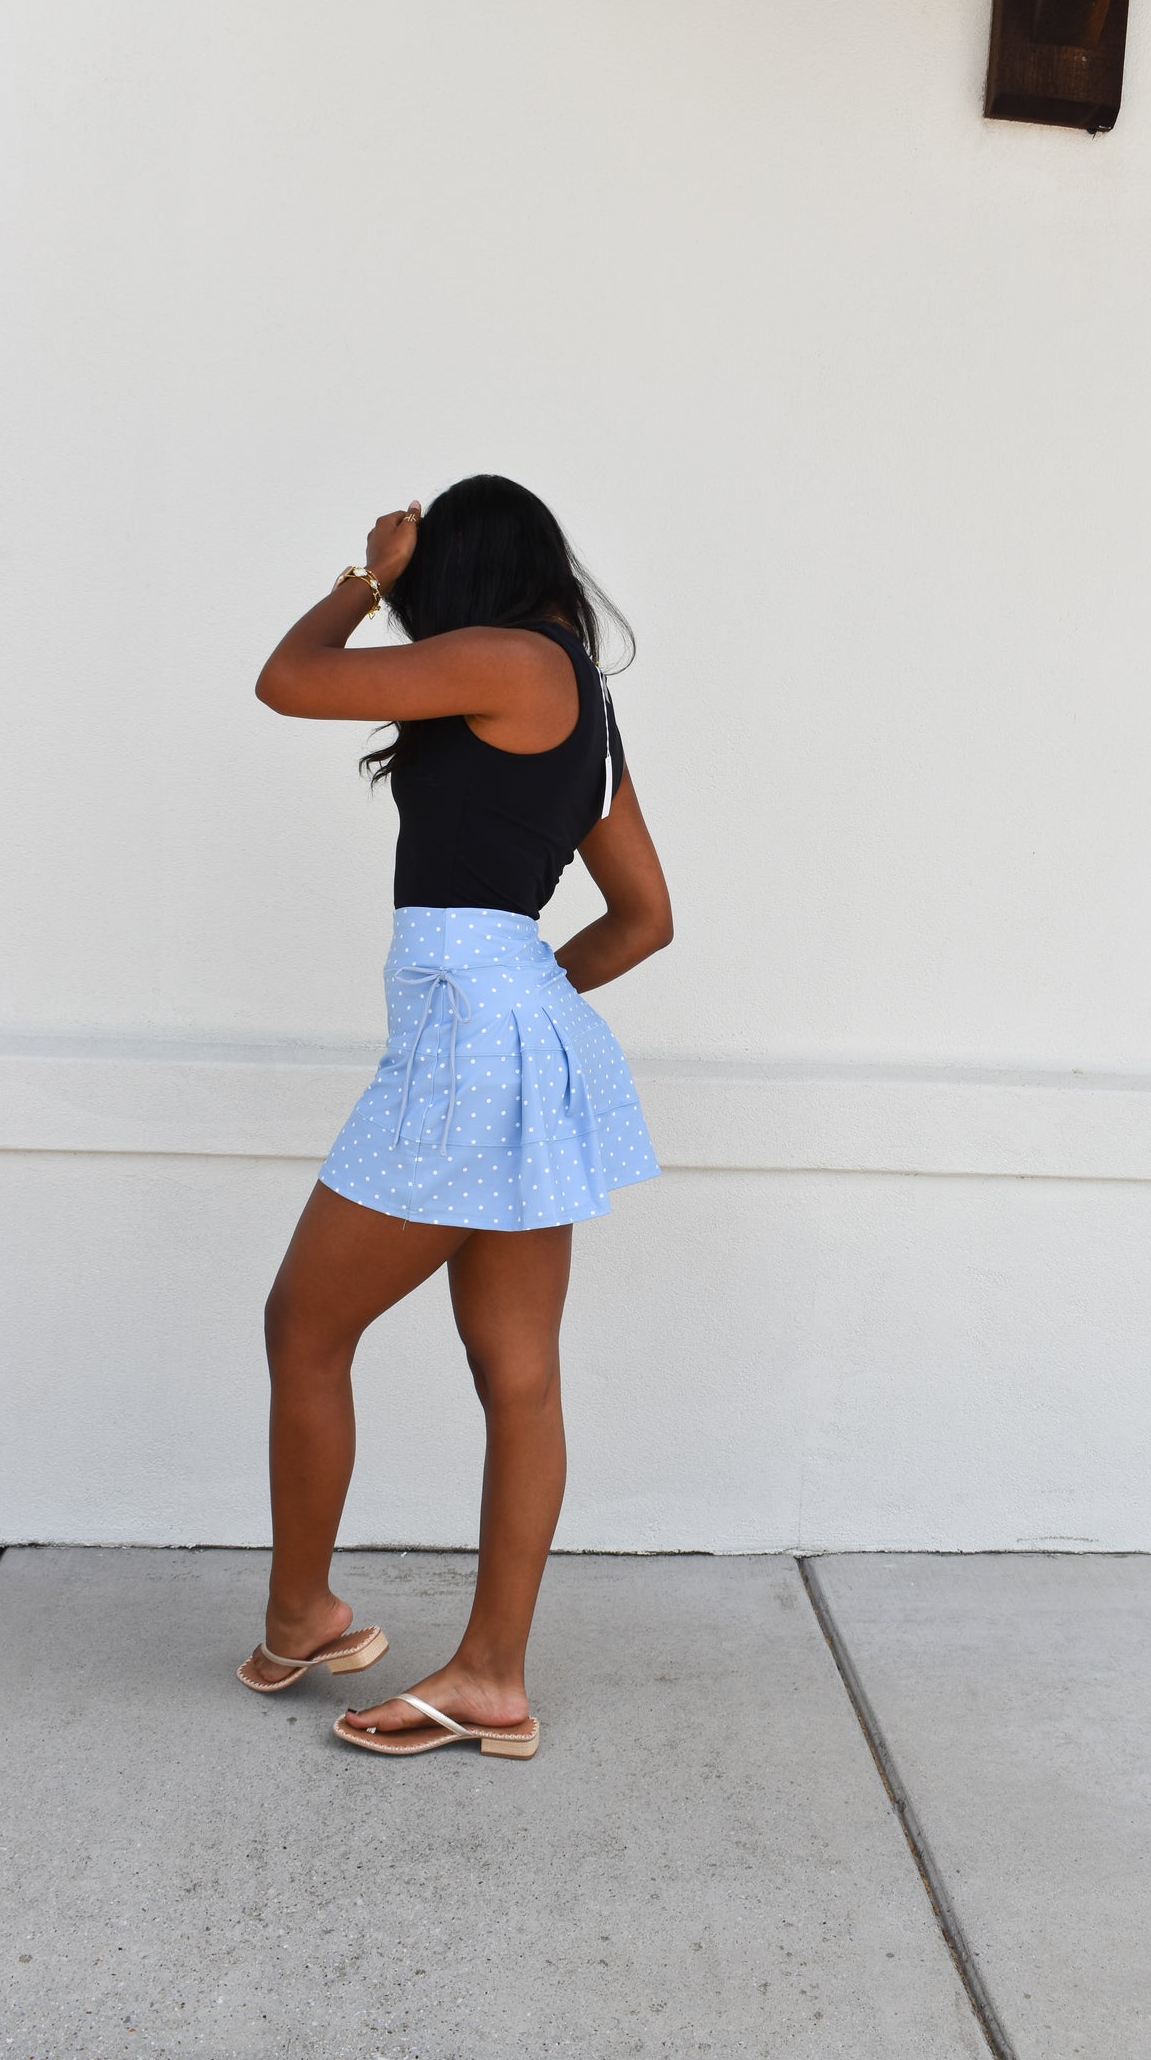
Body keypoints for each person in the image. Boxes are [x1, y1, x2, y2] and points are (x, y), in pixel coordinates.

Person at [237, 474, 671, 1760]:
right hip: (519, 1038)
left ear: (457, 569)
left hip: (469, 1042)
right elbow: (645, 917)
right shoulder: (580, 699)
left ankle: (305, 1608)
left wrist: (364, 575)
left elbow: (287, 678)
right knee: (517, 1371)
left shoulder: (495, 655)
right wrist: (530, 995)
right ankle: (490, 1677)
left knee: (303, 1324)